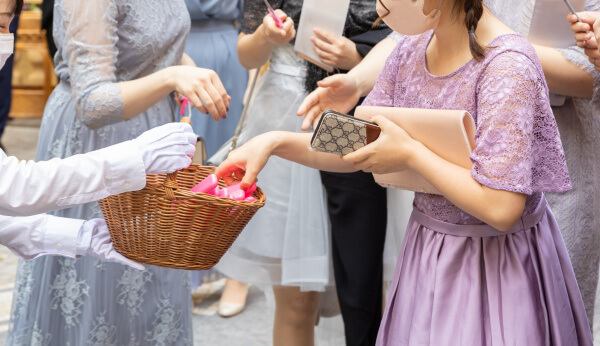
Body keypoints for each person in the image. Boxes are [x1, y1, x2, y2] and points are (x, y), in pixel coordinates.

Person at [217, 0, 593, 344]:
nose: (378, 12)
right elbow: (358, 143)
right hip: (427, 253)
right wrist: (273, 143)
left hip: (498, 266)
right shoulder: (411, 50)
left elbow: (501, 207)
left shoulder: (508, 65)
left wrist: (412, 154)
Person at [7, 0, 229, 344]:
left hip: (155, 123)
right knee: (95, 279)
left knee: (153, 280)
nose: (6, 31)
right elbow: (93, 104)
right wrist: (170, 76)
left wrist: (179, 66)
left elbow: (151, 41)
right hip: (100, 142)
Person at [212, 0, 384, 344]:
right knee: (295, 301)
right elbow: (247, 55)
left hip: (353, 120)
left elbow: (403, 42)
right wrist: (266, 34)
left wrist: (355, 57)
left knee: (363, 278)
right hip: (282, 115)